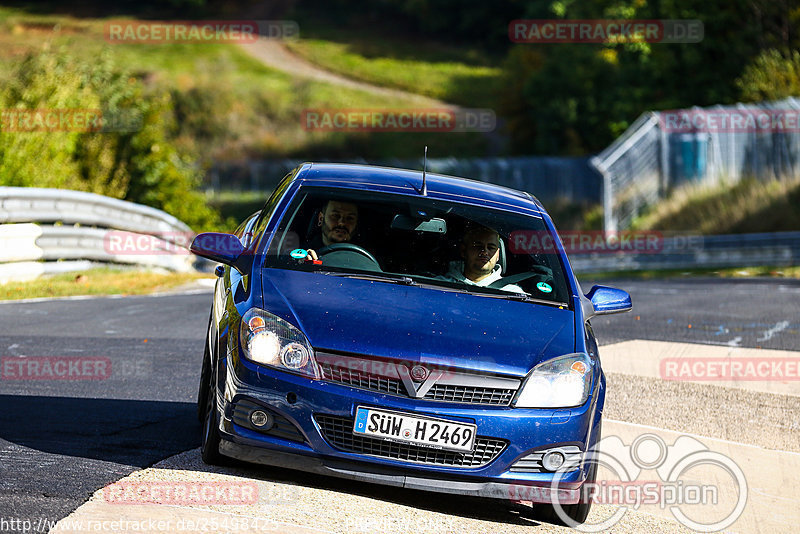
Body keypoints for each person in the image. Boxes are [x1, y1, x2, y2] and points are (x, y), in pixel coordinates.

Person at [438, 223, 524, 293]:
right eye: (478, 246)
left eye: (491, 248)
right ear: (464, 251)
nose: (485, 252)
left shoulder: (512, 293)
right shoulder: (438, 285)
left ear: (498, 255)